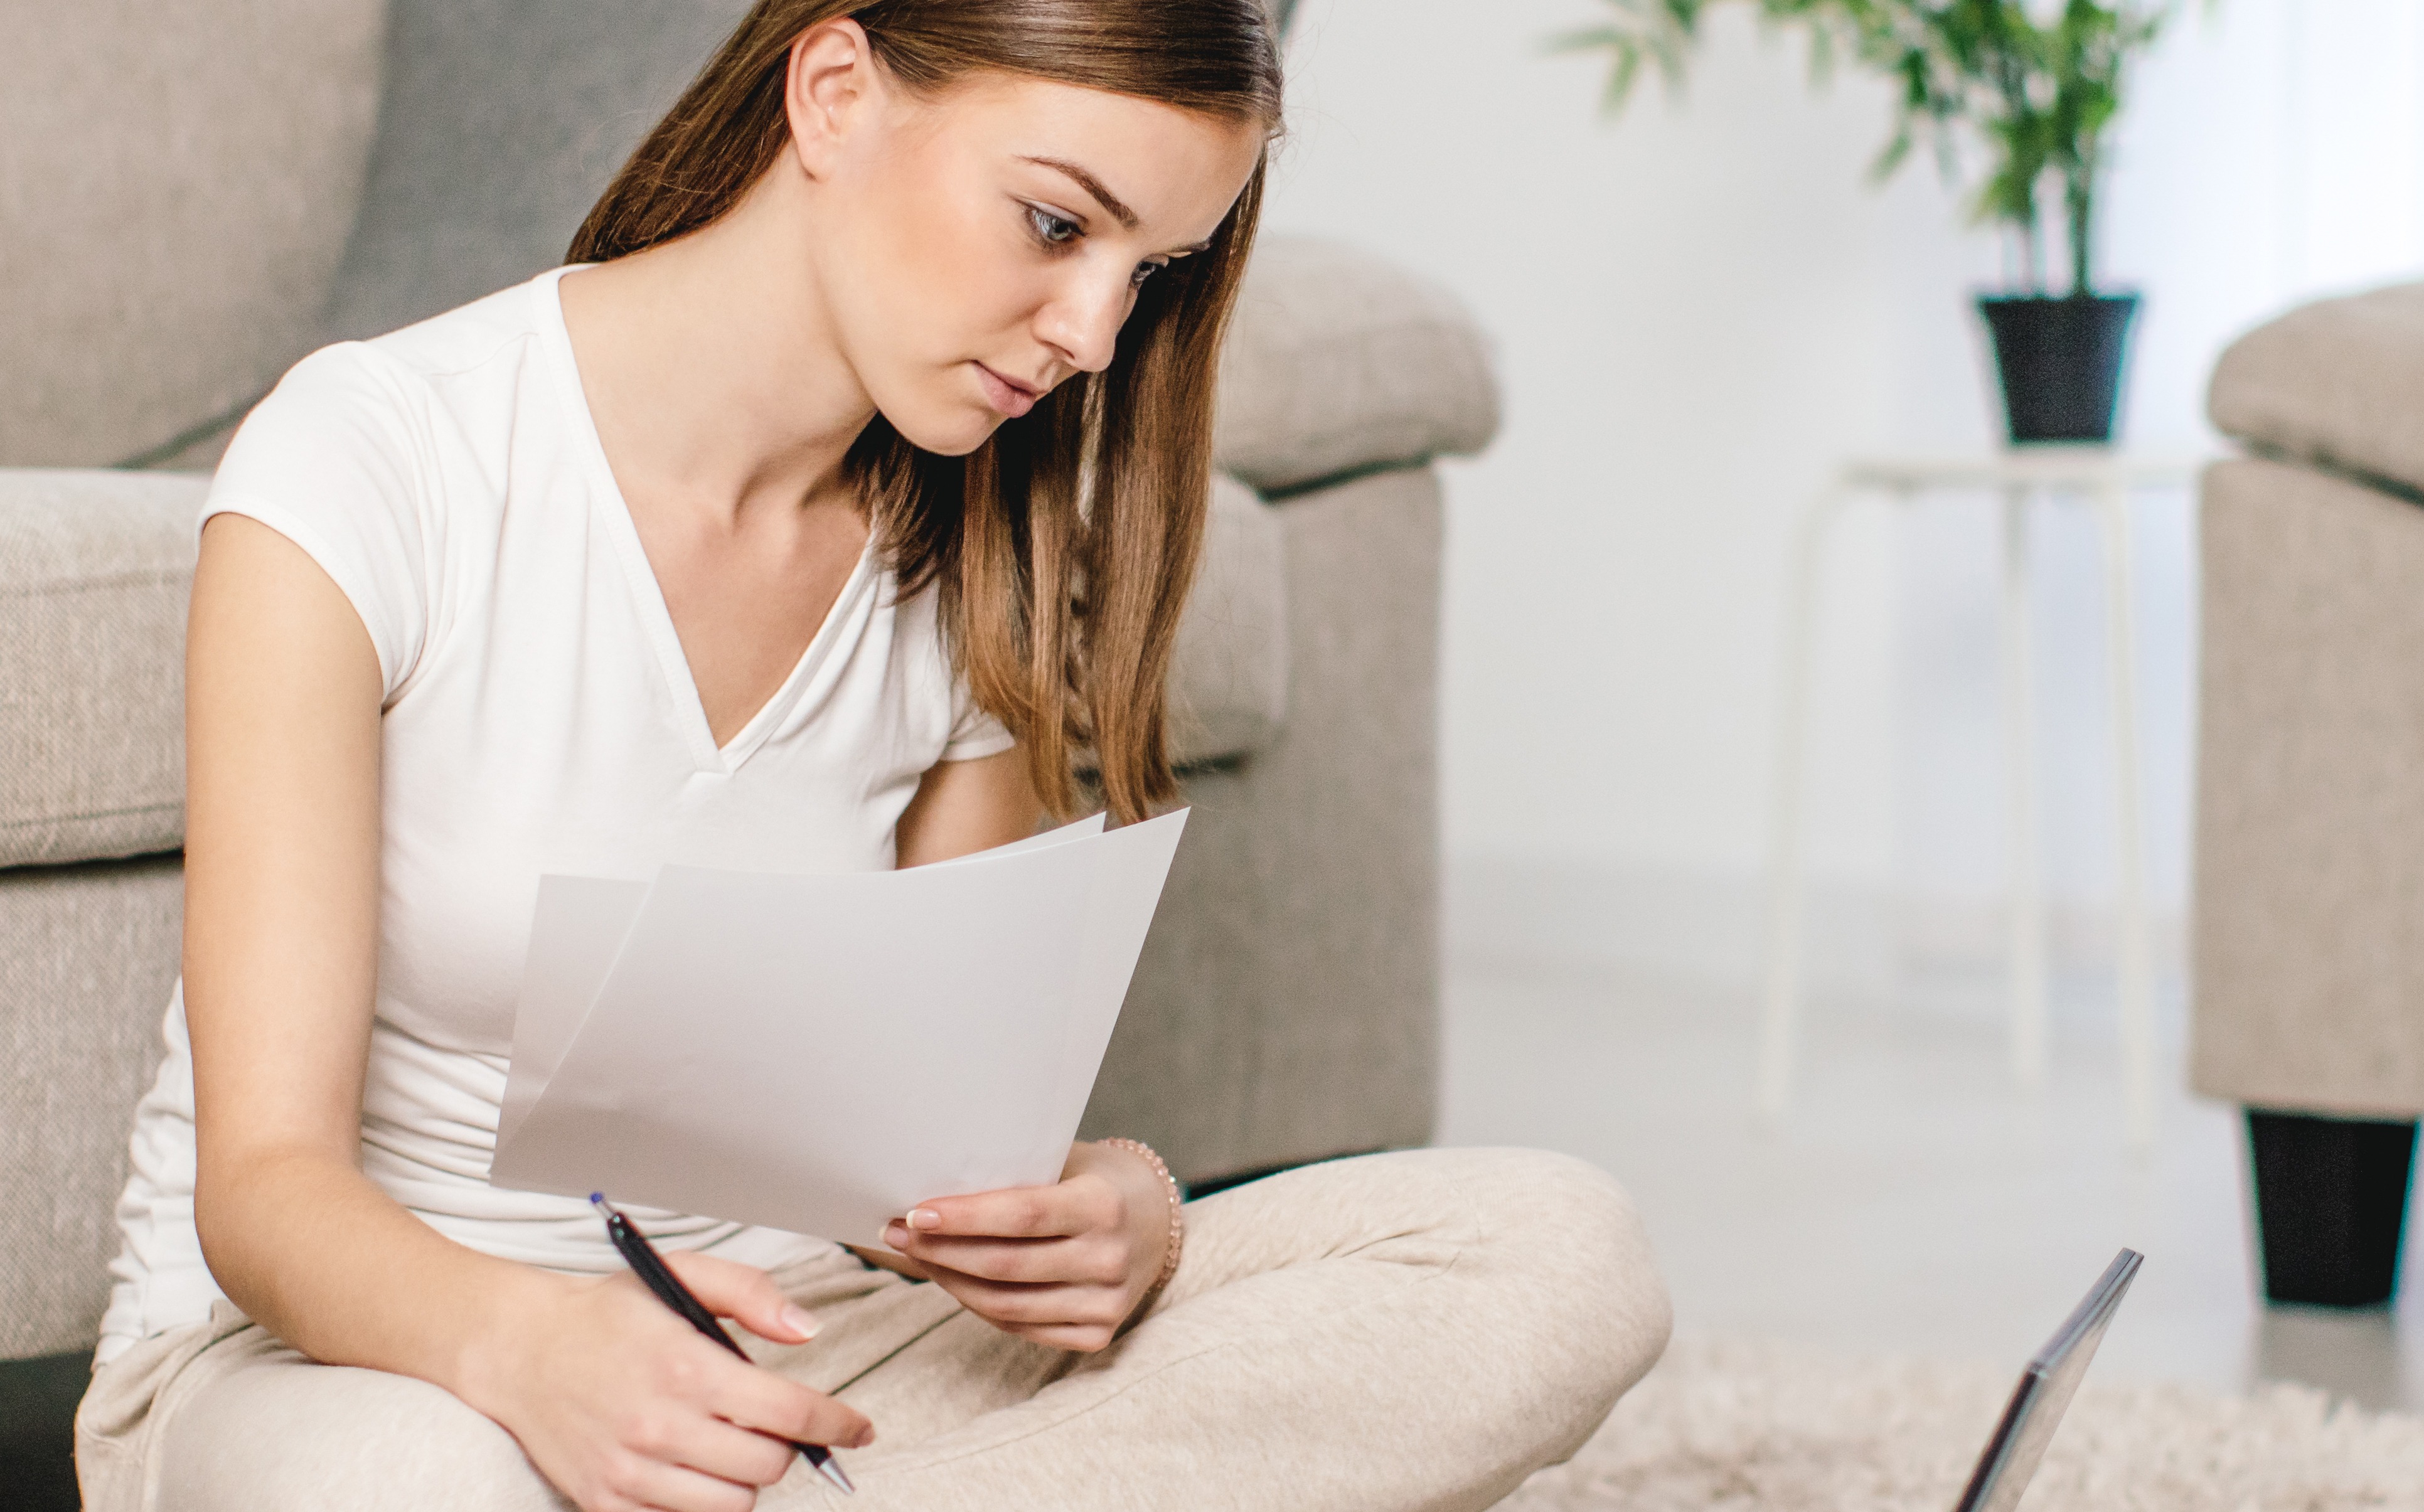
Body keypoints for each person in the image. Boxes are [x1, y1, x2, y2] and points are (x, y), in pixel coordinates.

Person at [72, 3, 1671, 1508]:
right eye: (1058, 224)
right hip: (362, 1362)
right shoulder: (374, 455)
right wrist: (531, 1348)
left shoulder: (978, 543)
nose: (1096, 334)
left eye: (1150, 271)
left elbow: (936, 1164)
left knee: (1552, 1253)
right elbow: (265, 1190)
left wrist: (1115, 1204)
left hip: (801, 1345)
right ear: (832, 93)